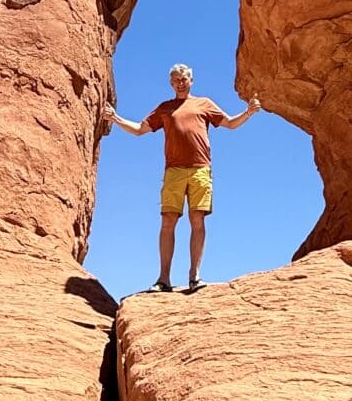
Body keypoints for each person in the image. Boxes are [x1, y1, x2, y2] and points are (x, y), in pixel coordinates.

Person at [105, 64, 260, 293]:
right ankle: (164, 279)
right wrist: (115, 118)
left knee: (197, 220)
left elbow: (228, 123)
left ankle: (194, 276)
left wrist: (248, 112)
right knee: (168, 221)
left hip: (200, 170)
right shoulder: (165, 108)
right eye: (176, 79)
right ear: (171, 83)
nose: (180, 82)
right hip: (174, 171)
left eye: (184, 78)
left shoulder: (204, 104)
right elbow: (139, 129)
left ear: (192, 80)